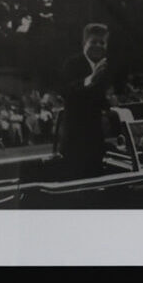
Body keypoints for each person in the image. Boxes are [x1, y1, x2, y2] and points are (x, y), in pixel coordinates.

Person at [57, 24, 115, 179]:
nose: (98, 46)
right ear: (84, 44)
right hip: (75, 141)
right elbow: (67, 92)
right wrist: (90, 79)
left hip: (95, 140)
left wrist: (112, 107)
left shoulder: (103, 66)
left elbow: (100, 99)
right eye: (93, 42)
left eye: (102, 43)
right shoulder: (72, 64)